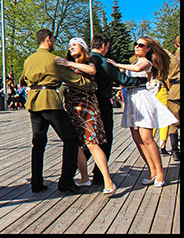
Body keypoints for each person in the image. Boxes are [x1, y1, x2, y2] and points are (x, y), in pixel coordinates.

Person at [18, 29, 97, 194]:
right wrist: (92, 85)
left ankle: (37, 182)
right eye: (53, 39)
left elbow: (23, 79)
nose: (54, 42)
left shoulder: (29, 59)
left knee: (38, 143)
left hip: (33, 102)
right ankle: (66, 181)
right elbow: (72, 78)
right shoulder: (53, 60)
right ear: (48, 39)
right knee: (70, 139)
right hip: (50, 101)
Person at [107, 36, 178, 187]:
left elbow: (138, 69)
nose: (137, 47)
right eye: (136, 44)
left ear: (148, 49)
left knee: (146, 137)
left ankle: (160, 172)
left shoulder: (146, 62)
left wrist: (117, 64)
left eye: (141, 45)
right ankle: (152, 170)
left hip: (142, 98)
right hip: (132, 99)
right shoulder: (134, 61)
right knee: (136, 137)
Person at [54, 37, 116, 194]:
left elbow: (92, 70)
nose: (71, 47)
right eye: (69, 46)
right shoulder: (67, 64)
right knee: (75, 143)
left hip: (87, 107)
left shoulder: (88, 62)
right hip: (72, 107)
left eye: (74, 45)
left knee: (92, 143)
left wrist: (68, 64)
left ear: (83, 47)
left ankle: (108, 181)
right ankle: (84, 177)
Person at [86, 33, 148, 185]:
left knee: (88, 139)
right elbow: (123, 80)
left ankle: (72, 172)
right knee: (105, 138)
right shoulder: (102, 61)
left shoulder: (85, 59)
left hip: (87, 103)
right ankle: (100, 175)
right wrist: (144, 79)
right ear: (105, 46)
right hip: (102, 102)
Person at [165, 36, 180, 160]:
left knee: (174, 123)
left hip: (175, 91)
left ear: (176, 45)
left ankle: (175, 151)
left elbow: (166, 76)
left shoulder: (171, 59)